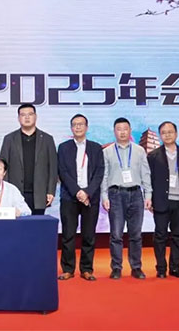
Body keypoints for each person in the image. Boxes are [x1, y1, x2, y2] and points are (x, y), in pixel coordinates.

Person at [101, 117, 152, 280]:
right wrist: (104, 196)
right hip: (115, 194)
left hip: (136, 194)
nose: (122, 132)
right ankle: (116, 267)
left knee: (135, 234)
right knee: (116, 234)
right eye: (119, 129)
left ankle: (136, 267)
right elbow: (104, 176)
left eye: (125, 129)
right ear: (114, 131)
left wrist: (148, 194)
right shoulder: (107, 152)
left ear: (130, 131)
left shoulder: (139, 150)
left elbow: (145, 174)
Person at [57, 114, 105, 281]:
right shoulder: (63, 147)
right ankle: (68, 269)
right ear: (71, 128)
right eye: (75, 124)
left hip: (90, 198)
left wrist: (87, 192)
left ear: (87, 127)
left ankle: (86, 269)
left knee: (89, 235)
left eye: (81, 124)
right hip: (69, 197)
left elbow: (99, 172)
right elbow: (62, 171)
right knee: (68, 235)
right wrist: (77, 191)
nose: (78, 127)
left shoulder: (96, 148)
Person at [148, 121, 179, 279]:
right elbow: (148, 180)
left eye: (170, 132)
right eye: (163, 132)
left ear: (176, 134)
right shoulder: (153, 155)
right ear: (160, 135)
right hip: (161, 201)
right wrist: (149, 199)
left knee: (178, 236)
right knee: (160, 236)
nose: (167, 135)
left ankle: (175, 268)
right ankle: (161, 268)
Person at [0, 104, 58, 215]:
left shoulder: (47, 139)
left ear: (36, 117)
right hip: (15, 193)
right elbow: (3, 167)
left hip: (40, 193)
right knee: (16, 225)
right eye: (23, 115)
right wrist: (5, 191)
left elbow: (53, 168)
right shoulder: (9, 139)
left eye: (30, 114)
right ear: (18, 118)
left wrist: (51, 191)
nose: (27, 117)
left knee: (37, 224)